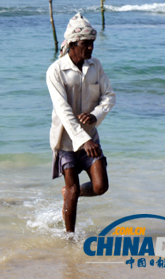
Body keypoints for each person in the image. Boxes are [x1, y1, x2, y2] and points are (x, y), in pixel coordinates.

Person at [46, 13, 116, 233]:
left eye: (92, 44)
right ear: (73, 44)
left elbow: (109, 96)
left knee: (100, 187)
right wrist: (82, 140)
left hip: (90, 138)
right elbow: (63, 111)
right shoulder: (55, 71)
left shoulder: (95, 66)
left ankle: (67, 193)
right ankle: (70, 239)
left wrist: (96, 115)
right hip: (66, 142)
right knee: (74, 189)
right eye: (86, 44)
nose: (90, 49)